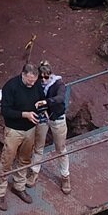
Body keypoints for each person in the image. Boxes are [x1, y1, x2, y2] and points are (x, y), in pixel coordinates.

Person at [0, 61, 46, 210]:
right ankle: (0, 193)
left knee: (25, 159)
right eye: (29, 81)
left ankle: (19, 186)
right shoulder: (10, 87)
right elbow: (5, 111)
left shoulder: (36, 84)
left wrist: (43, 107)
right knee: (7, 161)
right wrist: (25, 114)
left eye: (34, 81)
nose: (31, 84)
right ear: (23, 75)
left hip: (30, 129)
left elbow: (41, 98)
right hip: (14, 130)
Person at [32, 59, 72, 194]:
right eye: (41, 77)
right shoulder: (37, 84)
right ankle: (34, 172)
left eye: (46, 77)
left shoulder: (59, 84)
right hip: (42, 117)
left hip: (57, 117)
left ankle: (65, 176)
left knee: (61, 148)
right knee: (38, 147)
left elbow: (60, 98)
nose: (43, 80)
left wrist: (47, 102)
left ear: (51, 75)